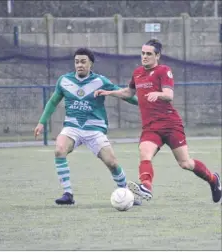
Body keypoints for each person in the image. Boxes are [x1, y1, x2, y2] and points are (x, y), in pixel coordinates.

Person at [94, 39, 221, 203]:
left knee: (185, 163)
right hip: (151, 127)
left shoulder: (163, 70)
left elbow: (169, 95)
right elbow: (128, 93)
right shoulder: (138, 73)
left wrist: (158, 94)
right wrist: (109, 92)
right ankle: (146, 186)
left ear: (157, 55)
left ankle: (213, 179)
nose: (145, 56)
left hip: (170, 124)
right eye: (143, 53)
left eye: (149, 54)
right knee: (144, 153)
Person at [34, 47, 141, 205]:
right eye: (77, 62)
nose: (79, 65)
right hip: (72, 127)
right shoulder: (64, 81)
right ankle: (68, 194)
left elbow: (123, 94)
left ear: (91, 64)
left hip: (95, 129)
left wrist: (143, 104)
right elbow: (53, 101)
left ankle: (126, 193)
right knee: (59, 150)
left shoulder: (101, 81)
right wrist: (41, 122)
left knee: (112, 163)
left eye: (83, 62)